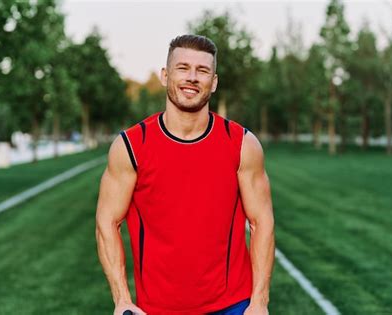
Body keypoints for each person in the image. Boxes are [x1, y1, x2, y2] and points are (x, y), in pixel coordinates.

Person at [96, 34, 275, 315]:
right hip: (156, 309)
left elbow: (261, 221)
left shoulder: (241, 143)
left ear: (213, 82)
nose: (192, 77)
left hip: (232, 305)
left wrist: (259, 301)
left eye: (203, 71)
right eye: (183, 68)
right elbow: (107, 222)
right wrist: (121, 298)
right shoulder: (131, 145)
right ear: (165, 75)